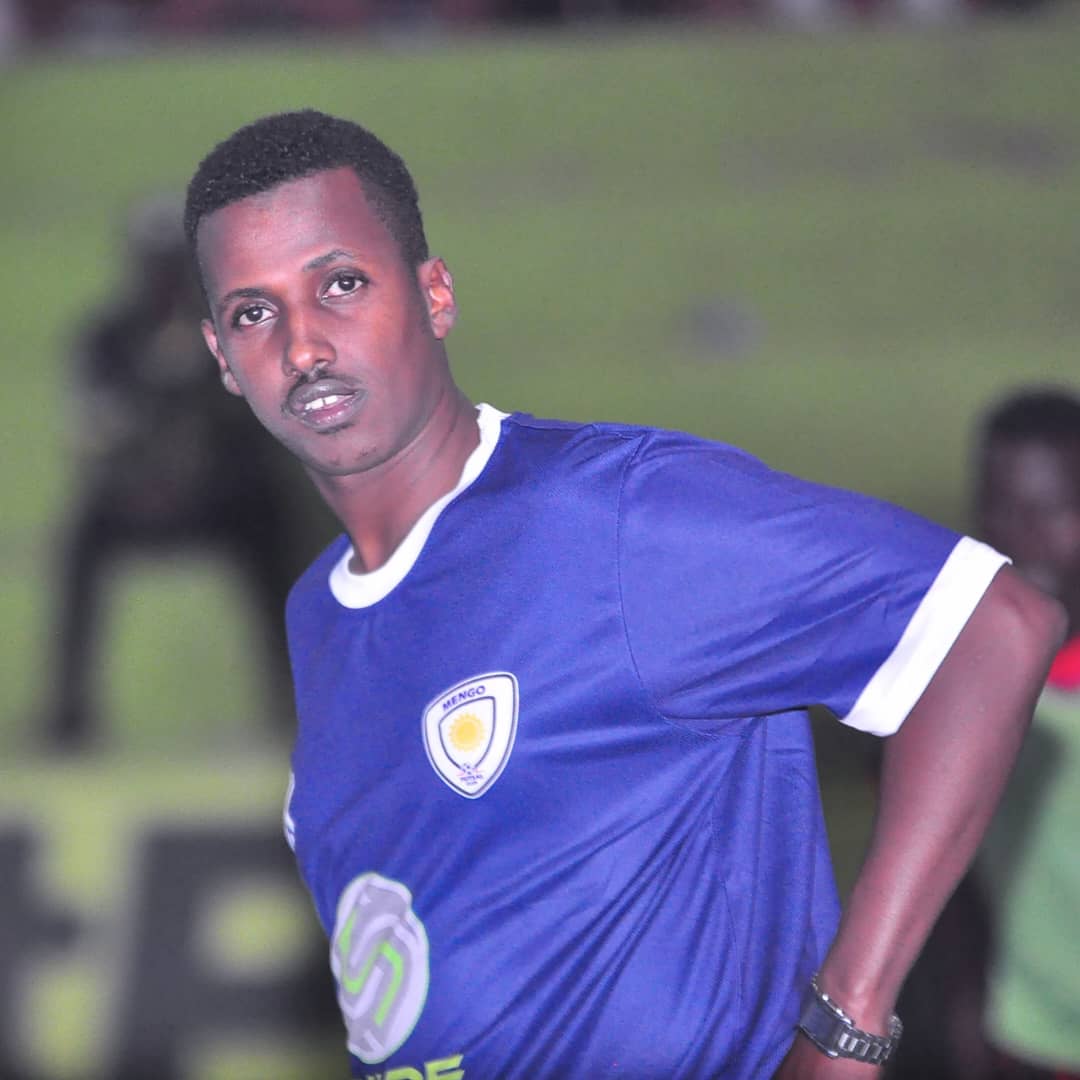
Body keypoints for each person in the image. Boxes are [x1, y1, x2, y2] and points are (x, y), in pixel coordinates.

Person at [181, 109, 1063, 1078]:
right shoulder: (319, 612)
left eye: (340, 284)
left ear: (434, 294)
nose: (303, 346)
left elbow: (992, 625)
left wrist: (846, 1025)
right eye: (254, 313)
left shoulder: (612, 512)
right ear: (222, 357)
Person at [42, 194, 319, 749]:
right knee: (80, 539)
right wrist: (149, 406)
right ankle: (68, 713)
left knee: (279, 516)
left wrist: (202, 391)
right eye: (156, 266)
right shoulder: (107, 337)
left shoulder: (237, 330)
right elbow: (92, 426)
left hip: (225, 499)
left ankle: (297, 698)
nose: (165, 279)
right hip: (135, 498)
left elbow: (266, 424)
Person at [973, 388, 1080, 1080]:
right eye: (1000, 510)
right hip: (1023, 1041)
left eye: (1054, 512)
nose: (1022, 538)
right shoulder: (959, 688)